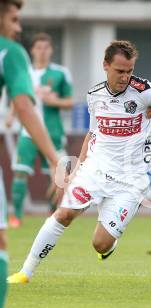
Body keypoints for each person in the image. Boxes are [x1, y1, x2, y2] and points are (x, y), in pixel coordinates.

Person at [7, 40, 151, 284]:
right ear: (106, 65)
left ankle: (109, 240)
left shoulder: (146, 91)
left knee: (100, 245)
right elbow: (92, 134)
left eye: (129, 71)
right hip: (96, 170)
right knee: (64, 214)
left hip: (131, 179)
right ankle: (25, 271)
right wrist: (78, 168)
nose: (125, 77)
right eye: (120, 71)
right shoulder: (95, 95)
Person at [0, 0, 59, 308]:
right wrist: (54, 159)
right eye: (14, 18)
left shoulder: (57, 73)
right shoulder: (9, 51)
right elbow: (24, 105)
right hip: (34, 134)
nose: (18, 27)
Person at [7, 32, 73, 228]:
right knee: (20, 173)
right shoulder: (24, 71)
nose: (42, 51)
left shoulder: (61, 73)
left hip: (53, 133)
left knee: (54, 175)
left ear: (51, 50)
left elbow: (70, 101)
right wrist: (11, 115)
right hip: (27, 133)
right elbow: (18, 97)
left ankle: (53, 216)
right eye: (38, 48)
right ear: (32, 50)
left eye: (46, 48)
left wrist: (54, 101)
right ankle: (17, 217)